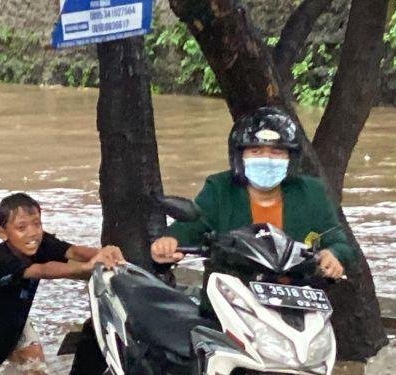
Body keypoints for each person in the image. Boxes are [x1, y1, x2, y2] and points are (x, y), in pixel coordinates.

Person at [149, 106, 354, 280]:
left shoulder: (311, 192)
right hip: (232, 303)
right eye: (256, 151)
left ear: (291, 159)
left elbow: (339, 242)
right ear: (239, 157)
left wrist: (332, 254)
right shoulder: (219, 188)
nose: (267, 158)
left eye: (276, 152)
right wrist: (167, 244)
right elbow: (188, 229)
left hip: (297, 302)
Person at [0, 193, 124, 375]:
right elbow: (41, 270)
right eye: (21, 228)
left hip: (12, 322)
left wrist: (107, 254)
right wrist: (87, 267)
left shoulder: (41, 242)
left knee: (36, 373)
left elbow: (73, 251)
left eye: (37, 224)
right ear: (2, 233)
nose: (32, 234)